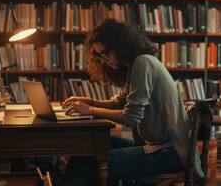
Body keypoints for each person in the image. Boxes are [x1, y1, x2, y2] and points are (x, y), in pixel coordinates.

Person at [61, 19, 203, 185]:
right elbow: (118, 104)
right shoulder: (136, 65)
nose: (103, 60)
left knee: (87, 165)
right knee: (88, 148)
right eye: (99, 56)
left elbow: (130, 118)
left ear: (120, 46)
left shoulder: (142, 64)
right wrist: (89, 101)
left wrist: (90, 110)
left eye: (105, 53)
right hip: (157, 147)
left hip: (170, 153)